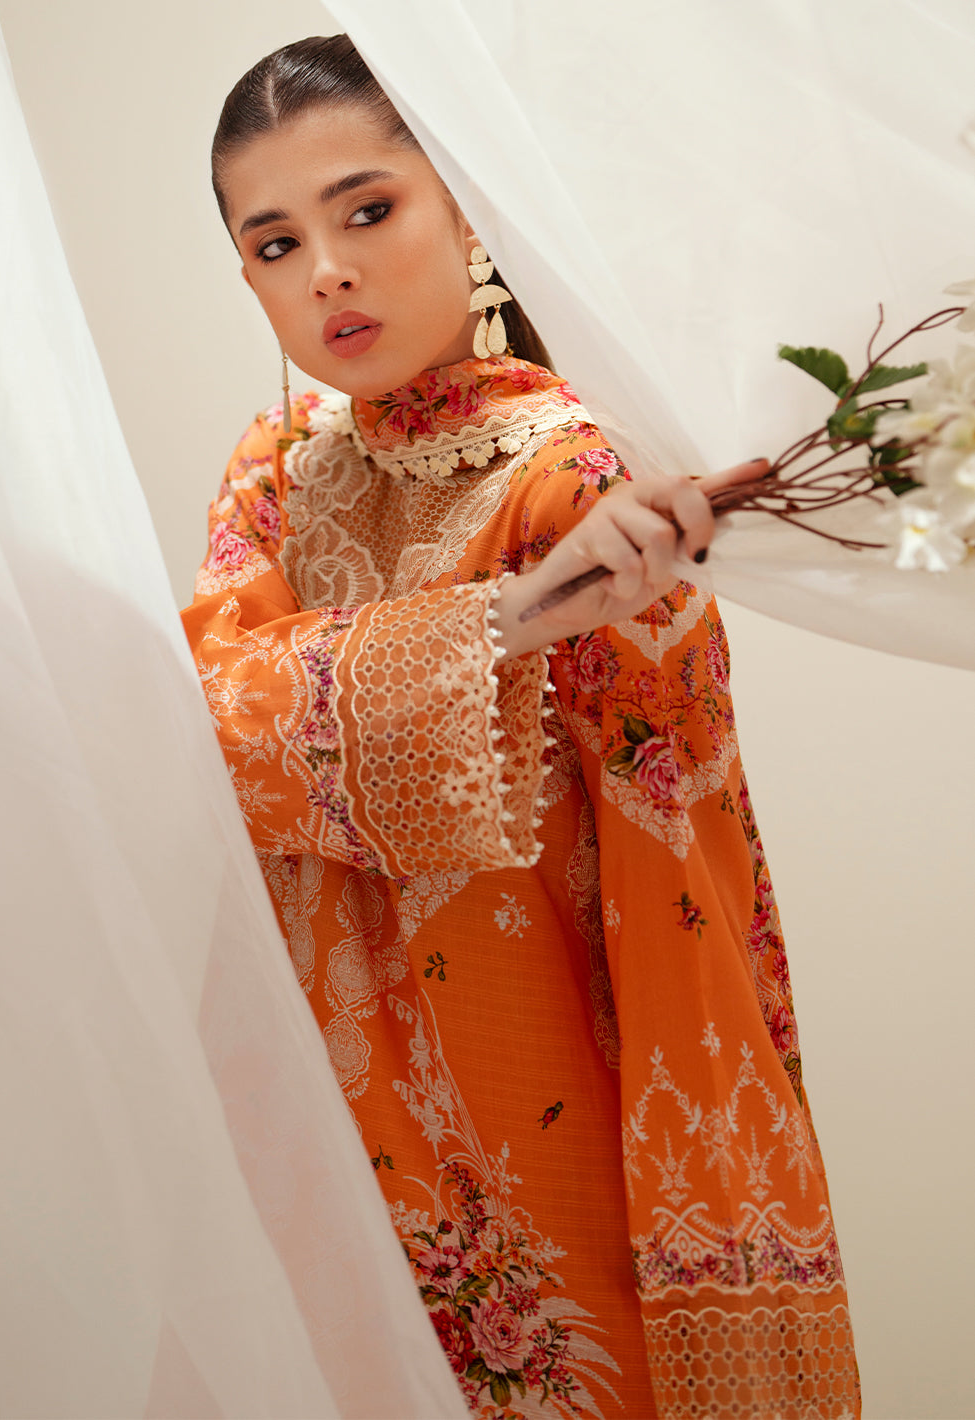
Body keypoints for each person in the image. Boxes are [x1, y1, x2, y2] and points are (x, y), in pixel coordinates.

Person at [182, 33, 860, 1419]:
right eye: (276, 243)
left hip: (549, 1113)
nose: (326, 271)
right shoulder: (272, 476)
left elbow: (680, 879)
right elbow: (203, 735)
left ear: (470, 214)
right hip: (326, 1121)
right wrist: (505, 623)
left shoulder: (583, 486)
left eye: (368, 210)